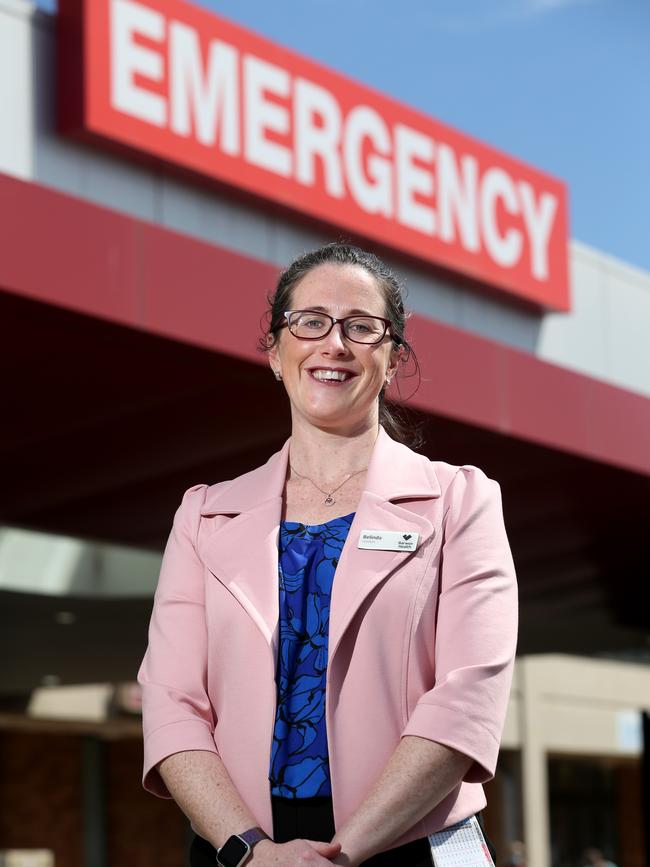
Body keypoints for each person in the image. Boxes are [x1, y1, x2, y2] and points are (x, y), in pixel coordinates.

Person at [137, 242, 518, 867]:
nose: (334, 344)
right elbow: (171, 701)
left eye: (362, 328)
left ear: (392, 358)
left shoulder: (460, 501)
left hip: (410, 846)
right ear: (274, 351)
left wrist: (343, 854)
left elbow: (466, 697)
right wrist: (249, 850)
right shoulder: (204, 515)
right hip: (242, 852)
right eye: (309, 322)